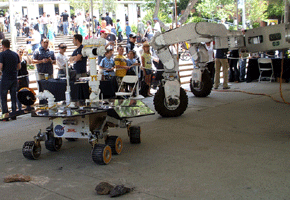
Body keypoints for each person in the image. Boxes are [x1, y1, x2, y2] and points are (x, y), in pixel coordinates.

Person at [0, 39, 21, 120]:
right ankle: (13, 114)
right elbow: (19, 67)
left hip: (5, 78)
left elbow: (0, 66)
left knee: (4, 97)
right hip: (14, 78)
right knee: (13, 97)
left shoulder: (2, 55)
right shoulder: (15, 54)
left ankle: (5, 115)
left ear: (3, 46)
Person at [17, 47, 32, 113]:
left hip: (25, 76)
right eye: (19, 51)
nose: (21, 53)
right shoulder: (16, 59)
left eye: (22, 51)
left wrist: (27, 55)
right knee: (18, 92)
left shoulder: (24, 59)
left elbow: (30, 62)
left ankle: (28, 106)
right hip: (19, 77)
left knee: (26, 91)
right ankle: (19, 107)